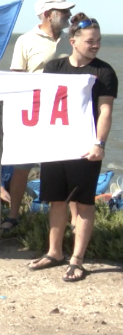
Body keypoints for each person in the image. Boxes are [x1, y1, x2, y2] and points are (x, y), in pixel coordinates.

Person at [28, 14, 116, 282]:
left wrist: (99, 144)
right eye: (91, 41)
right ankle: (54, 252)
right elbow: (41, 103)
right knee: (56, 200)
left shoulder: (104, 72)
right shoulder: (54, 67)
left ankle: (77, 259)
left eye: (99, 41)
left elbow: (105, 111)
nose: (96, 45)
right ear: (73, 40)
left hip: (84, 147)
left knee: (84, 202)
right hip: (56, 144)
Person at [5, 0, 77, 234]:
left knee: (66, 166)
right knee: (22, 167)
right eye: (63, 11)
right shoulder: (26, 41)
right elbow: (16, 77)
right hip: (33, 113)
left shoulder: (71, 40)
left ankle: (69, 218)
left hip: (64, 113)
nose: (67, 15)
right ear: (48, 14)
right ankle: (14, 216)